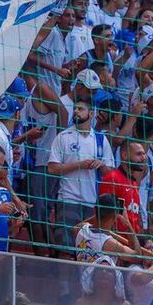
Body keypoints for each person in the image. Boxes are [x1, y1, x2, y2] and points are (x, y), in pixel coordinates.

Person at [48, 99, 115, 255]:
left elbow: (110, 173)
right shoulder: (63, 137)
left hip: (92, 204)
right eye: (75, 109)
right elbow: (51, 168)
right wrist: (80, 164)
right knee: (65, 248)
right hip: (68, 200)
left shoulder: (100, 139)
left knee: (88, 252)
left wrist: (101, 165)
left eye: (81, 109)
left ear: (91, 114)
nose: (76, 111)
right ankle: (63, 280)